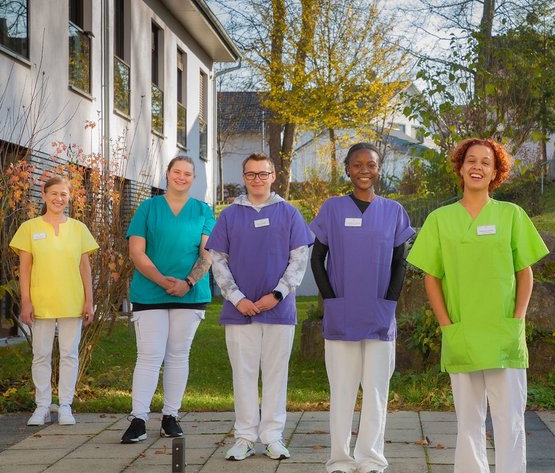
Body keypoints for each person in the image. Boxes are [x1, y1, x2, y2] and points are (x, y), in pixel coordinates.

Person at [406, 138, 549, 473]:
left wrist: (517, 320)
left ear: (496, 172)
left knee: (509, 420)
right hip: (462, 330)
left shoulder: (511, 215)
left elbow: (525, 273)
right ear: (460, 166)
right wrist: (445, 325)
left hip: (503, 331)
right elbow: (432, 277)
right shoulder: (440, 219)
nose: (477, 167)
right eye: (471, 160)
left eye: (486, 162)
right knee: (468, 420)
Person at [310, 143, 415, 473]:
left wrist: (390, 303)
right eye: (358, 164)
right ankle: (339, 460)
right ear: (347, 169)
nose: (364, 170)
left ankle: (371, 459)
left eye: (371, 164)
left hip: (380, 316)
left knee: (376, 392)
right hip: (342, 314)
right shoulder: (332, 209)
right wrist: (330, 301)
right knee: (341, 391)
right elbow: (317, 259)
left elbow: (401, 263)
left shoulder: (394, 211)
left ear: (379, 169)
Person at [207, 152, 313, 462]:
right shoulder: (229, 215)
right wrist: (236, 297)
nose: (257, 179)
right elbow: (218, 260)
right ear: (244, 177)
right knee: (243, 374)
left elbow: (299, 259)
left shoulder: (289, 213)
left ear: (273, 176)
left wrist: (278, 294)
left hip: (278, 310)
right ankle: (244, 437)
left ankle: (273, 436)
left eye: (263, 173)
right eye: (251, 174)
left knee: (276, 374)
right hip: (239, 311)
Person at [121, 155, 215, 444]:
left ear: (193, 179)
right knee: (149, 356)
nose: (182, 177)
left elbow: (208, 253)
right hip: (150, 292)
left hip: (190, 293)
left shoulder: (203, 210)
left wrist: (187, 282)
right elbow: (136, 251)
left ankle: (170, 417)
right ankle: (138, 419)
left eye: (188, 173)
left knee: (177, 356)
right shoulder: (148, 208)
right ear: (167, 174)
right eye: (177, 172)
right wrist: (162, 281)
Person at [11, 176, 99, 426]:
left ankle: (65, 407)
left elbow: (85, 268)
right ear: (44, 194)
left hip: (73, 300)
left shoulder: (79, 228)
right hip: (41, 302)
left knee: (69, 355)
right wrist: (26, 301)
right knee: (41, 354)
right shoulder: (29, 228)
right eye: (54, 194)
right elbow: (25, 269)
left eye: (63, 194)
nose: (59, 199)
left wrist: (88, 301)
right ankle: (41, 407)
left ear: (68, 197)